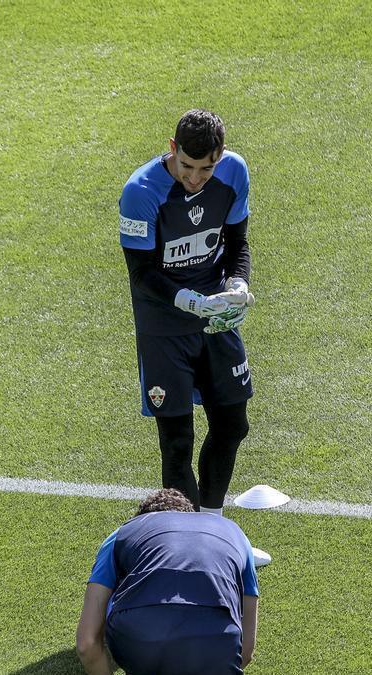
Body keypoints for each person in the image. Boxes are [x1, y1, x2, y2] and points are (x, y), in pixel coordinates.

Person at [117, 109, 255, 519]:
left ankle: (212, 531)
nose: (195, 178)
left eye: (206, 169)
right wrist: (191, 301)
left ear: (222, 156)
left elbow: (237, 244)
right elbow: (142, 275)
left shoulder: (234, 173)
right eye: (187, 167)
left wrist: (238, 284)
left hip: (214, 319)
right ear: (172, 149)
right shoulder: (140, 191)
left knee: (233, 423)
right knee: (177, 441)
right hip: (164, 326)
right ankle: (187, 540)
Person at [75, 488, 260, 675]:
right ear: (191, 514)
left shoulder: (121, 534)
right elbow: (246, 650)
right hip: (219, 642)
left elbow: (87, 643)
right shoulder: (237, 535)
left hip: (137, 637)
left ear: (143, 518)